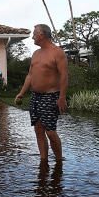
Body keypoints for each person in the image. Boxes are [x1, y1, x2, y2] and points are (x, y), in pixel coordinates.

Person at [15, 24, 69, 163]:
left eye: (34, 34)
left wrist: (62, 97)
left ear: (42, 35)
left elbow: (64, 75)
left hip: (51, 96)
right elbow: (30, 75)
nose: (32, 36)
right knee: (38, 130)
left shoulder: (57, 52)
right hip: (35, 96)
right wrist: (21, 93)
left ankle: (59, 161)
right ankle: (43, 161)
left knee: (50, 131)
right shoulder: (36, 53)